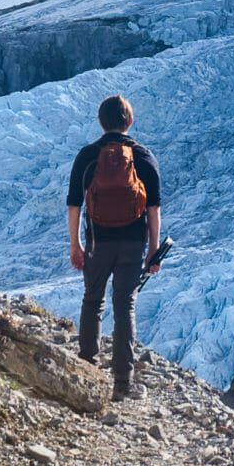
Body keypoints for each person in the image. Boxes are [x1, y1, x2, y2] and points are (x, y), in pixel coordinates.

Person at [66, 94, 164, 398]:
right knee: (125, 307)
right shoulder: (144, 157)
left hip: (97, 242)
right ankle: (122, 383)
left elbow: (74, 205)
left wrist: (76, 245)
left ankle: (88, 371)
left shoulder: (87, 156)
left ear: (100, 122)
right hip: (133, 245)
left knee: (93, 301)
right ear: (130, 122)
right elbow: (154, 210)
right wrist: (153, 251)